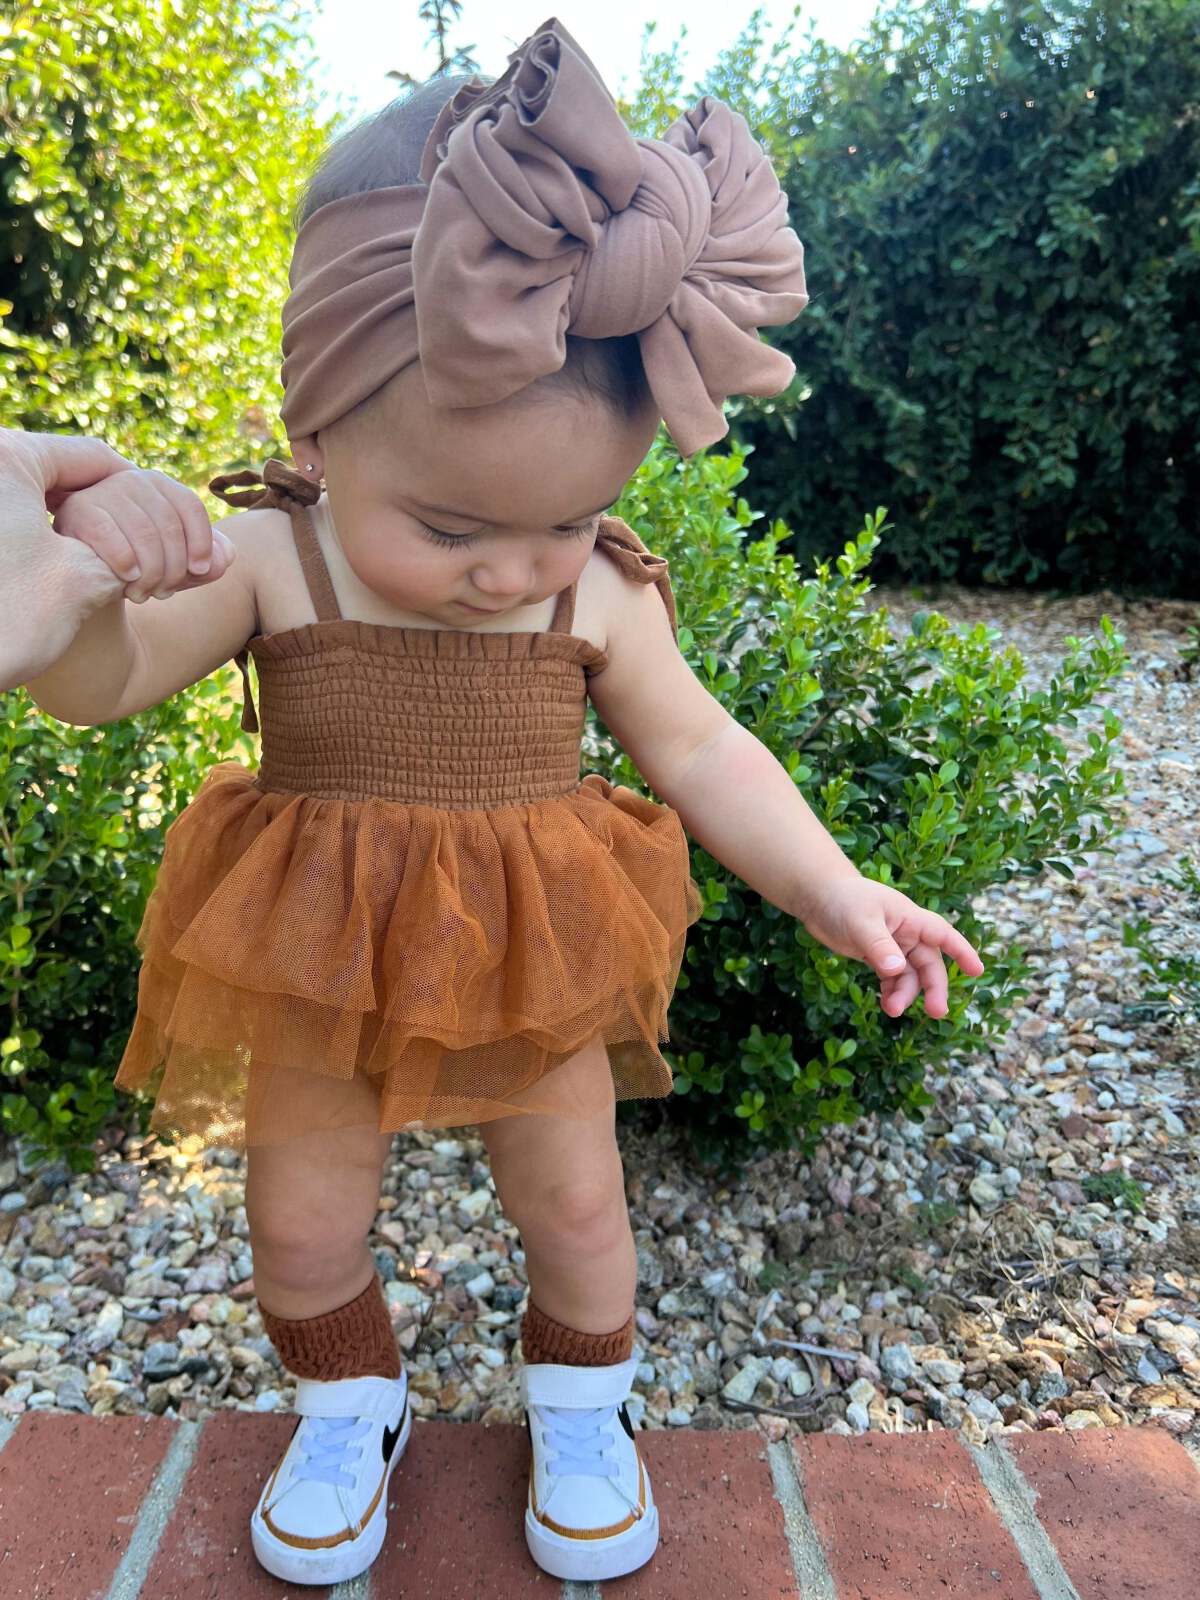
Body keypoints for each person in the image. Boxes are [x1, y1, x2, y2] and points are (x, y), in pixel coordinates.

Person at [14, 18, 985, 1588]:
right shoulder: (275, 555)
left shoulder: (591, 596)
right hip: (318, 954)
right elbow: (105, 678)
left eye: (568, 521)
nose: (514, 569)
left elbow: (708, 753)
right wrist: (68, 600)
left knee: (578, 1202)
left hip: (535, 952)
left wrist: (836, 888)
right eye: (458, 524)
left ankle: (583, 1403)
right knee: (301, 1221)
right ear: (312, 425)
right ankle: (350, 1401)